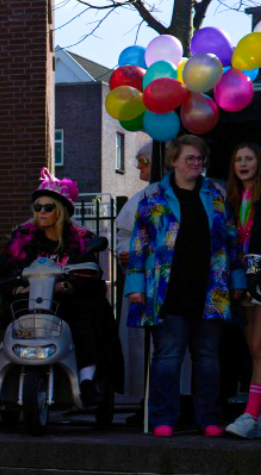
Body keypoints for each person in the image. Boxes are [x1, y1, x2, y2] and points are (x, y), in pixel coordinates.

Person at [127, 135, 244, 438]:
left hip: (210, 292)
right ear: (174, 162)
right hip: (168, 292)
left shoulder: (216, 196)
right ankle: (163, 419)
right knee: (167, 358)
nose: (196, 164)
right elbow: (138, 244)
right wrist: (136, 285)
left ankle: (209, 419)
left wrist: (239, 279)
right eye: (190, 158)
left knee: (208, 360)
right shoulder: (153, 198)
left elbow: (233, 242)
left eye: (200, 159)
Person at [0, 168, 119, 407]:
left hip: (67, 305)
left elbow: (91, 275)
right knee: (11, 315)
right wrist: (18, 290)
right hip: (29, 304)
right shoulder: (21, 238)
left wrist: (68, 286)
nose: (41, 212)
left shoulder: (80, 240)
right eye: (37, 207)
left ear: (60, 211)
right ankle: (5, 383)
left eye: (47, 207)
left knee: (87, 313)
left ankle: (87, 379)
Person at [114, 142, 155, 416]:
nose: (138, 166)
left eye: (142, 160)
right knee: (144, 344)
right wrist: (124, 252)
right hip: (143, 283)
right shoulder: (139, 199)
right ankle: (147, 399)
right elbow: (123, 238)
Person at [225, 141, 261, 438]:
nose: (244, 164)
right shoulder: (232, 199)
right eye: (239, 159)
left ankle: (251, 413)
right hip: (242, 280)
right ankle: (253, 415)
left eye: (249, 158)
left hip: (259, 277)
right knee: (254, 350)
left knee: (259, 348)